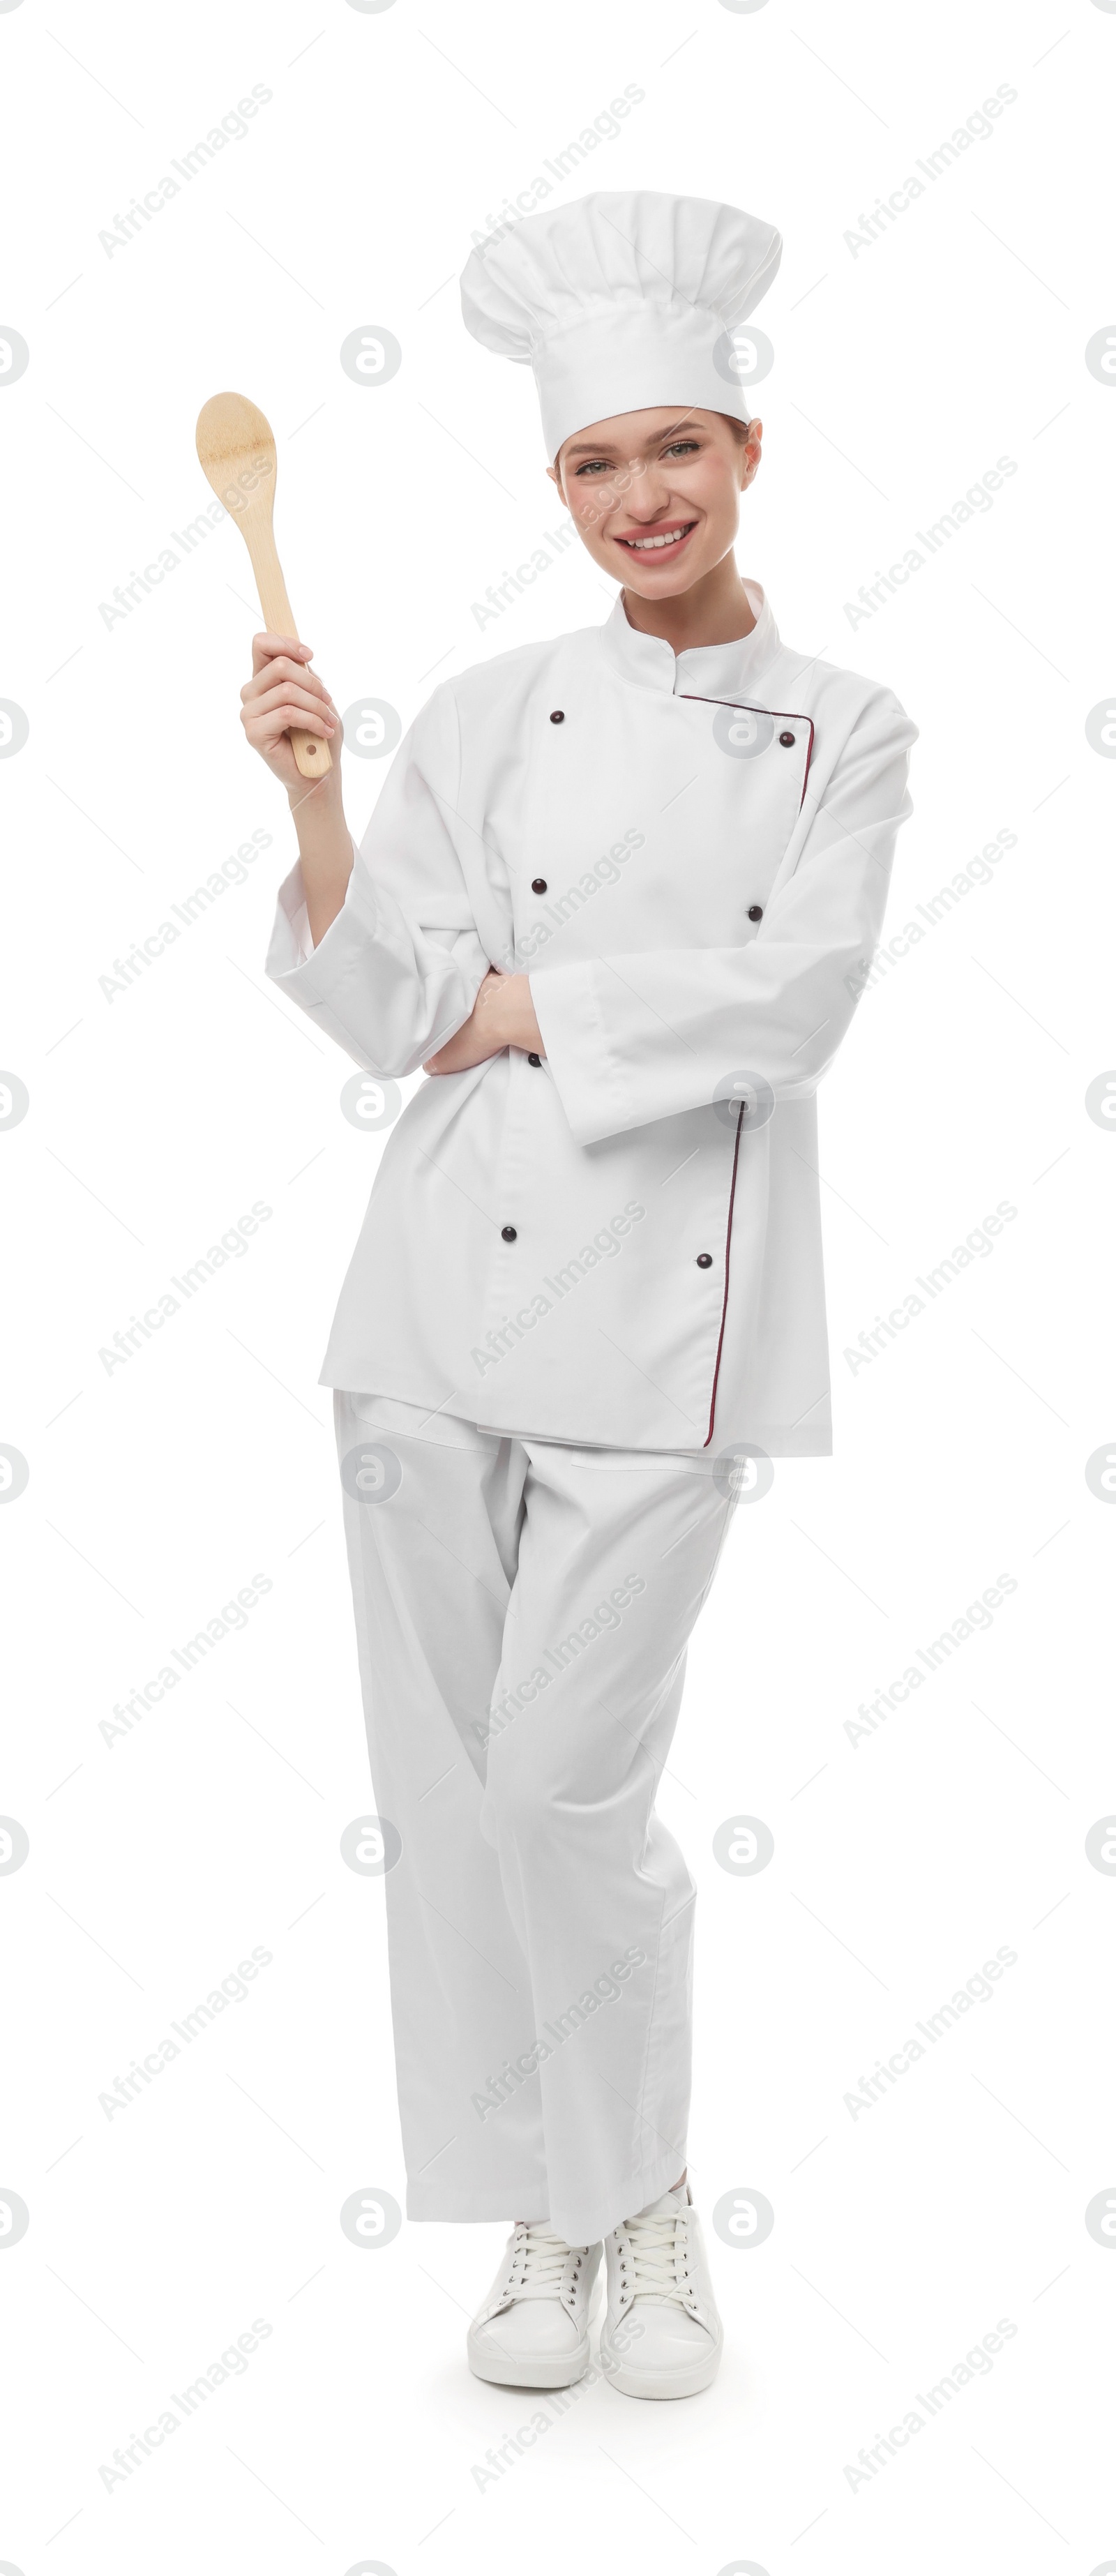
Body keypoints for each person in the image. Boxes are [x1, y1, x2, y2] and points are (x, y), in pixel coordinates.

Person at [241, 190, 917, 2401]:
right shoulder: (479, 707)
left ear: (746, 450)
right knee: (454, 1796)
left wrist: (517, 999)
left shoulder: (845, 727)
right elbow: (397, 1011)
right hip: (430, 1312)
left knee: (562, 1792)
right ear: (556, 487)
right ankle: (559, 2210)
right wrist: (325, 804)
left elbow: (790, 1005)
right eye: (590, 468)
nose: (638, 503)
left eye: (674, 453)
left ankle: (644, 2194)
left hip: (670, 1339)